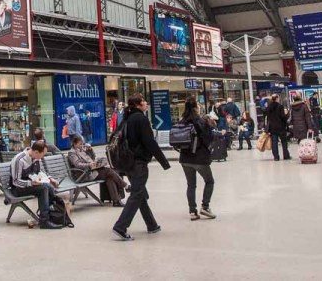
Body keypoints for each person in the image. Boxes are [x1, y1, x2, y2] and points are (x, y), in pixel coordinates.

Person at [112, 94, 171, 241]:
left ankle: (151, 224)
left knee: (141, 194)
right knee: (137, 194)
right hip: (139, 163)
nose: (146, 103)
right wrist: (164, 162)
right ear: (138, 105)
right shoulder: (140, 119)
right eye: (144, 101)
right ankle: (120, 226)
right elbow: (149, 142)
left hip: (128, 163)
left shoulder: (126, 119)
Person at [177, 98, 216, 221]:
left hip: (185, 158)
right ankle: (205, 206)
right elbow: (208, 138)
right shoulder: (200, 121)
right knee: (209, 181)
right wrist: (210, 127)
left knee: (191, 185)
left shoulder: (182, 121)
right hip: (199, 158)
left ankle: (192, 212)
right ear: (195, 107)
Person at [9, 140, 62, 229]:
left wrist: (50, 178)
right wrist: (31, 183)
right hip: (18, 188)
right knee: (44, 188)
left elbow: (40, 171)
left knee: (49, 186)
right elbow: (15, 181)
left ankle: (53, 214)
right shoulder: (20, 160)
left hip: (31, 185)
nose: (42, 157)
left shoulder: (36, 157)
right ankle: (44, 221)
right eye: (43, 154)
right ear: (36, 152)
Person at [67, 134, 126, 206]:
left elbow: (92, 158)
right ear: (74, 143)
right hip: (83, 174)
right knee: (109, 171)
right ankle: (124, 186)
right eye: (80, 144)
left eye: (82, 143)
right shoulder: (72, 153)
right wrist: (89, 165)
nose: (82, 145)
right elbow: (78, 164)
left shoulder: (81, 150)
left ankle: (116, 201)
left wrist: (90, 150)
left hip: (91, 170)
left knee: (109, 177)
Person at [264, 94, 291, 161]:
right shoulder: (280, 106)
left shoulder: (268, 107)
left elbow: (266, 116)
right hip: (281, 126)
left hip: (272, 127)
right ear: (277, 99)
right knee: (284, 142)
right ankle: (286, 155)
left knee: (274, 142)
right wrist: (287, 115)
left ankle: (276, 157)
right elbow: (283, 117)